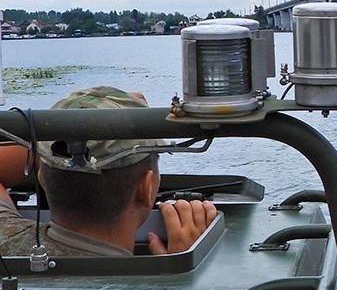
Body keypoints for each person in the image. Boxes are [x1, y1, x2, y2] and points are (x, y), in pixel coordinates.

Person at [0, 86, 217, 258]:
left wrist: (60, 138)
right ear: (147, 187)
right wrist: (178, 269)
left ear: (42, 179)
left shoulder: (7, 240)